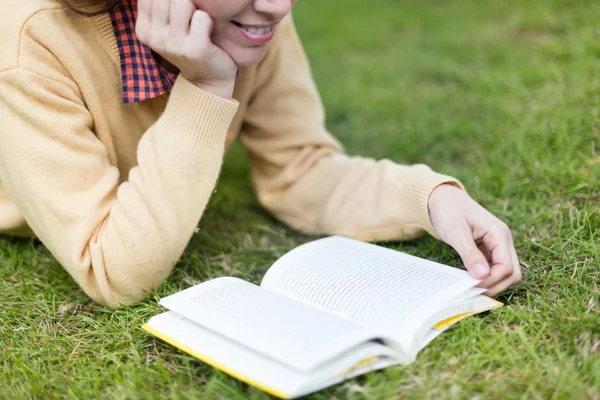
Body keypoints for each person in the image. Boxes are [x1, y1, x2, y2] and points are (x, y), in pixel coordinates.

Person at [0, 0, 522, 308]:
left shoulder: (252, 16)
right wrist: (205, 85)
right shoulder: (27, 47)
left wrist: (429, 201)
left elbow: (299, 170)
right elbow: (112, 270)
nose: (279, 7)